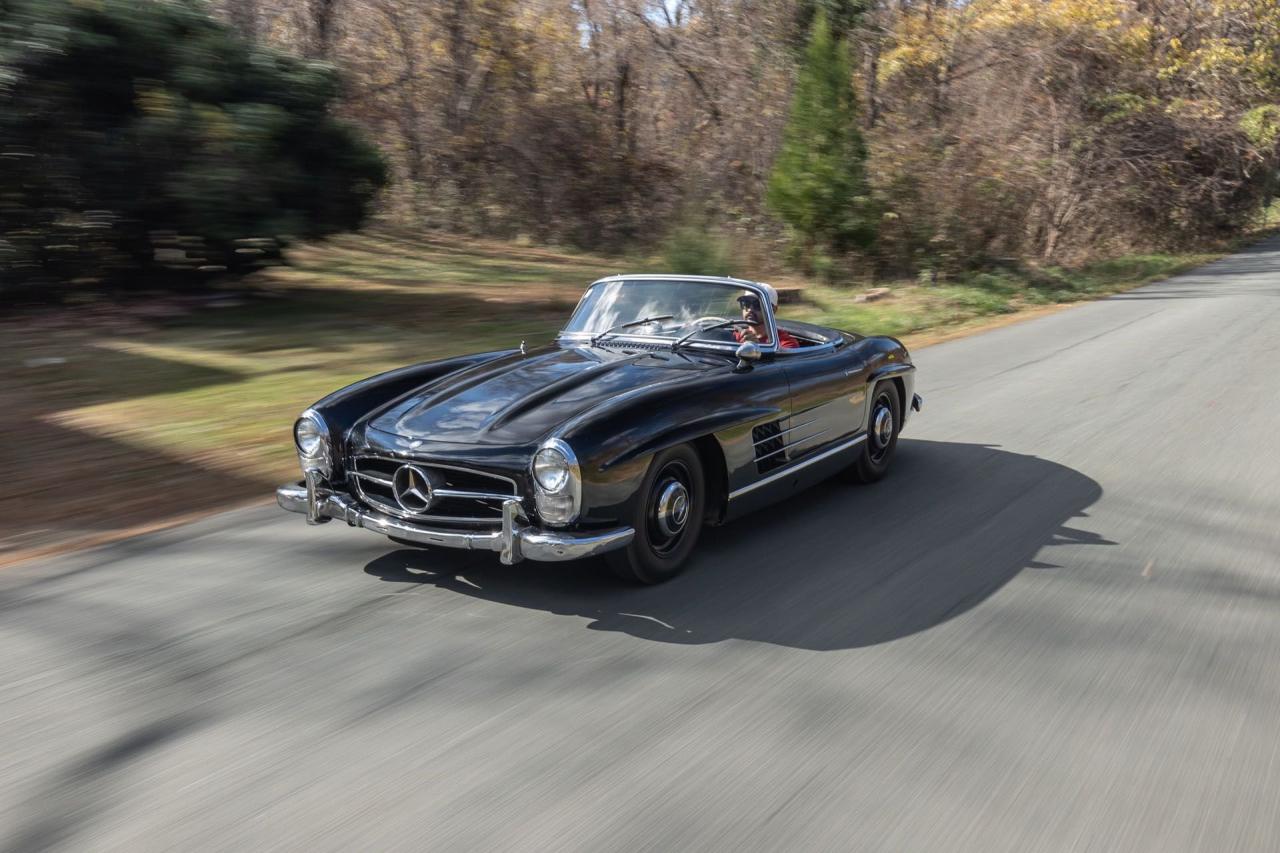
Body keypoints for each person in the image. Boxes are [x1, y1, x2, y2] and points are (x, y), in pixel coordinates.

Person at [734, 283, 799, 349]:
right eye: (746, 303)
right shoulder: (735, 336)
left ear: (773, 310)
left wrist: (757, 347)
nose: (750, 309)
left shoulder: (786, 343)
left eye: (758, 304)